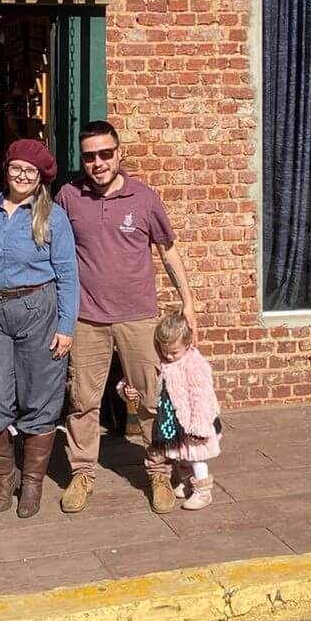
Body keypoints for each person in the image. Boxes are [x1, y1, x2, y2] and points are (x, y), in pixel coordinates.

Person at [58, 120, 197, 515]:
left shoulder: (144, 198)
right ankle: (82, 473)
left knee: (151, 400)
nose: (98, 162)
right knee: (82, 401)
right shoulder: (68, 197)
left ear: (119, 153)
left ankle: (159, 473)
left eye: (106, 153)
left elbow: (168, 250)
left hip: (138, 317)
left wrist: (188, 302)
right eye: (90, 156)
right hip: (87, 318)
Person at [0, 139, 79, 520]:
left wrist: (66, 326)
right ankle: (5, 478)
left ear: (40, 177)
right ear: (6, 169)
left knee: (39, 398)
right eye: (16, 167)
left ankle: (32, 484)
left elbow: (68, 274)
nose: (21, 175)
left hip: (38, 309)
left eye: (30, 171)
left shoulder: (53, 217)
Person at [145, 311, 221, 511]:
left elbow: (201, 397)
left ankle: (203, 491)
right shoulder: (168, 363)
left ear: (187, 345)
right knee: (183, 455)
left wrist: (199, 426)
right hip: (177, 419)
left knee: (197, 457)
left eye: (174, 352)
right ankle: (188, 483)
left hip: (195, 421)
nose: (168, 356)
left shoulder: (194, 365)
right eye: (165, 352)